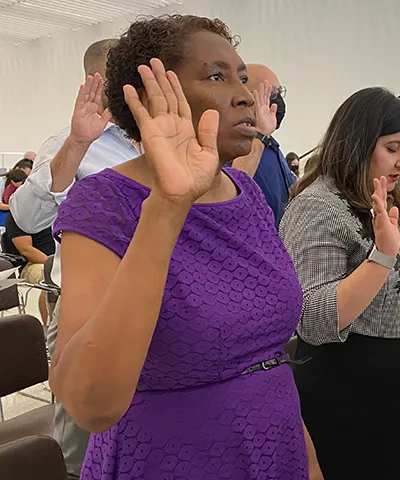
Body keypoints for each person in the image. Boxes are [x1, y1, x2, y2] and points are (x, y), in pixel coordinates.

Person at [50, 15, 320, 480]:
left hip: (274, 442)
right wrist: (168, 207)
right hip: (171, 456)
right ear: (156, 97)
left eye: (241, 77)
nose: (244, 93)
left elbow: (266, 357)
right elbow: (89, 404)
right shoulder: (104, 201)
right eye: (216, 76)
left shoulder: (245, 192)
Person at [280, 86, 400, 480]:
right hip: (351, 397)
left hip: (397, 394)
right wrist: (382, 255)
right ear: (358, 145)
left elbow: (377, 293)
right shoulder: (318, 206)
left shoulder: (376, 196)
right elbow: (313, 319)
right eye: (393, 148)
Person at [9, 39, 139, 478]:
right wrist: (78, 146)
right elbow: (27, 217)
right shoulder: (70, 144)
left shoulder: (161, 140)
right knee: (82, 448)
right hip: (88, 310)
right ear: (96, 81)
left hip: (159, 306)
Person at [231, 64, 296, 226]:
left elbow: (292, 188)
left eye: (280, 93)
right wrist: (259, 134)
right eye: (272, 94)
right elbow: (234, 186)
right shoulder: (230, 141)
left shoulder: (270, 143)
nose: (277, 100)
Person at [3, 212, 55, 326]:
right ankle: (50, 328)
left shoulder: (57, 212)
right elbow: (26, 250)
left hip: (63, 261)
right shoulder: (19, 216)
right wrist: (53, 265)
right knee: (51, 279)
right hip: (33, 264)